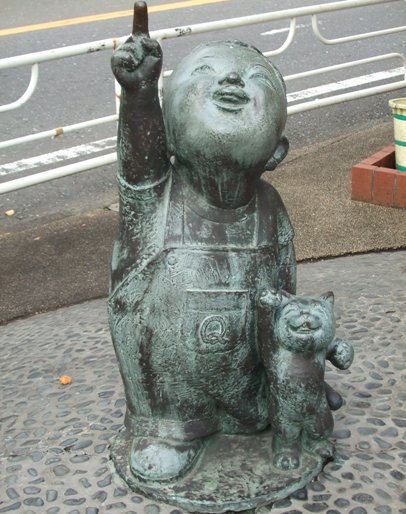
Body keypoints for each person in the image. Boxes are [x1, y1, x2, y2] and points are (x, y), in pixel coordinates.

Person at [109, 1, 301, 483]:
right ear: (168, 134)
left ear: (277, 151)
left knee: (266, 381)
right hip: (172, 389)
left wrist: (298, 362)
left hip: (243, 373)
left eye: (255, 78)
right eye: (206, 75)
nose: (232, 82)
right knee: (170, 377)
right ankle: (170, 430)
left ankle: (256, 406)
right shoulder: (154, 196)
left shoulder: (270, 207)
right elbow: (137, 159)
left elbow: (284, 295)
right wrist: (140, 94)